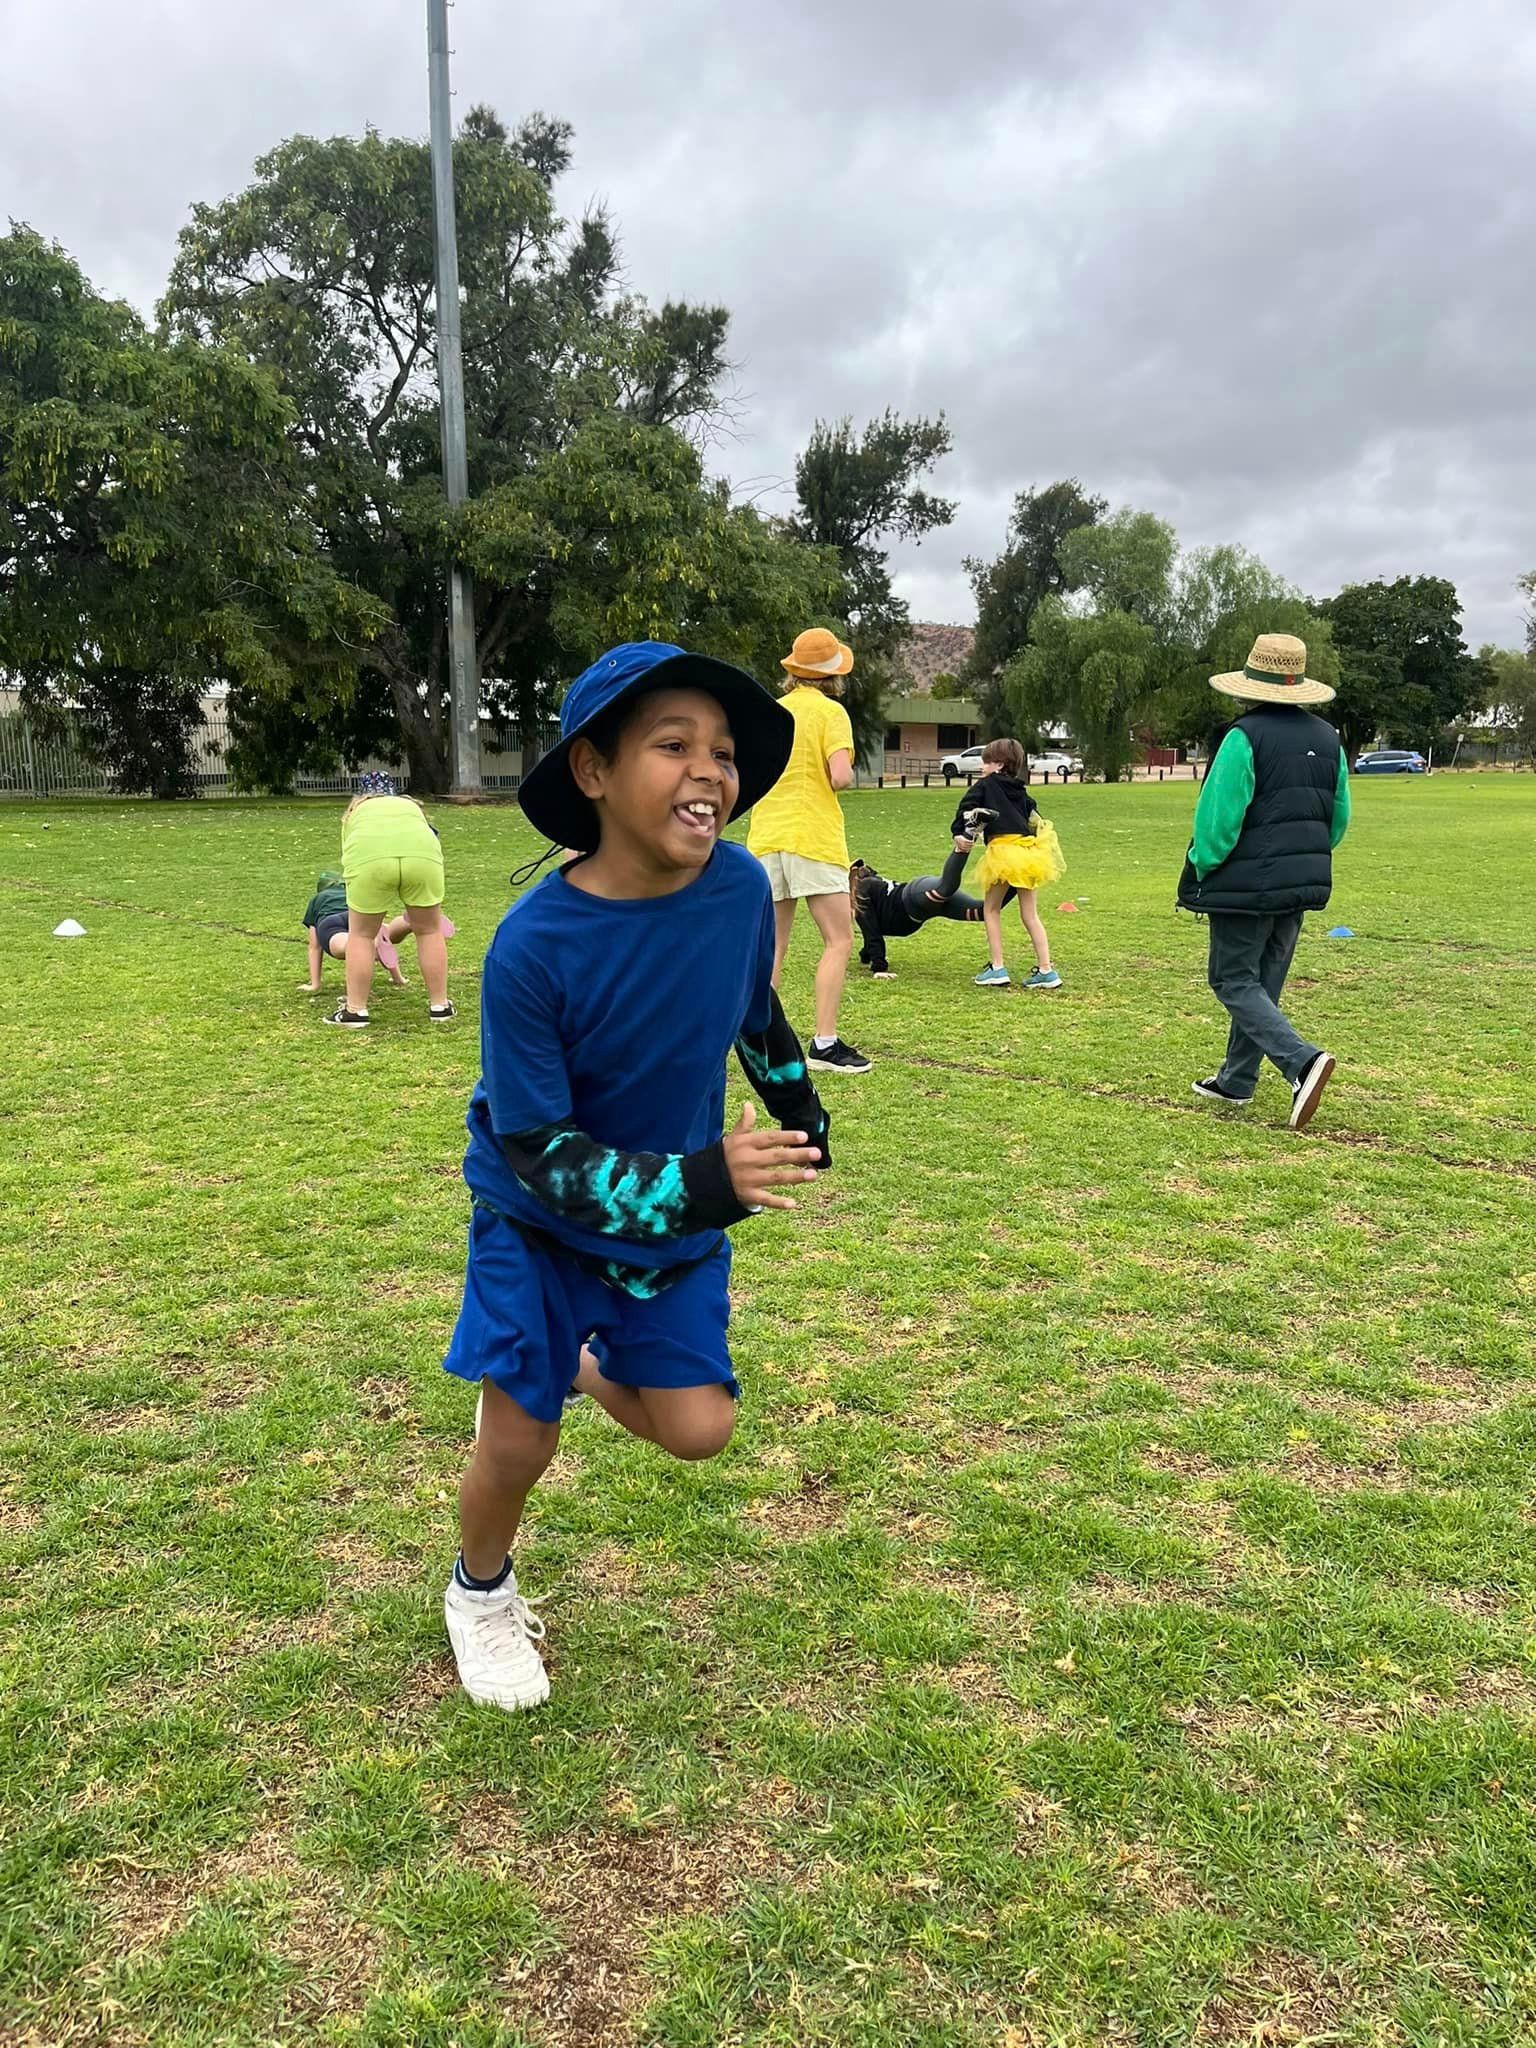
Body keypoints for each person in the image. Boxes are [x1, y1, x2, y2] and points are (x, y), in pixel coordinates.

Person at [442, 641, 832, 1713]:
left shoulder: (742, 888)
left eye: (722, 751)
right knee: (518, 1437)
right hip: (538, 1216)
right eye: (673, 744)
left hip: (670, 1221)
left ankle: (575, 1362)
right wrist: (709, 1180)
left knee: (701, 1427)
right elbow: (544, 1154)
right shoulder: (530, 951)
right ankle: (479, 1591)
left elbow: (751, 1010)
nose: (709, 770)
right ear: (593, 771)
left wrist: (797, 1104)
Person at [1177, 632, 1349, 1130]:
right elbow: (1337, 819)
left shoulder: (1244, 736)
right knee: (1262, 982)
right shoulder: (1329, 738)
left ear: (1251, 683)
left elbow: (1218, 821)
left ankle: (1301, 1062)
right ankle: (1237, 1079)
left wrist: (1202, 865)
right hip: (1300, 881)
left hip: (1245, 883)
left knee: (1232, 978)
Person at [745, 628, 871, 1074]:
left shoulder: (772, 711)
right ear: (832, 674)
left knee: (772, 945)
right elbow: (838, 776)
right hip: (813, 838)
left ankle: (758, 1043)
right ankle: (825, 1043)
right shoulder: (831, 713)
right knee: (839, 939)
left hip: (766, 837)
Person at [324, 774, 454, 1028]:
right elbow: (432, 836)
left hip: (370, 861)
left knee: (361, 935)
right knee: (428, 930)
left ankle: (355, 1010)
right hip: (423, 857)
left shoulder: (356, 813)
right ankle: (440, 1006)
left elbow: (349, 850)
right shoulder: (411, 807)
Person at [950, 739, 1064, 990]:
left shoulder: (985, 786)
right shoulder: (1021, 790)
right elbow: (1034, 819)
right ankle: (1047, 969)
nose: (982, 767)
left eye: (986, 762)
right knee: (1030, 914)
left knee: (991, 909)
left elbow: (965, 811)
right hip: (1027, 854)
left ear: (999, 765)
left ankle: (997, 967)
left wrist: (959, 833)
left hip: (1002, 853)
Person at [850, 846, 1010, 976]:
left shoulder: (860, 894)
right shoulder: (867, 889)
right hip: (923, 908)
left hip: (914, 896)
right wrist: (866, 956)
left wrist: (879, 967)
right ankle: (1017, 878)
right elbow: (871, 930)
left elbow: (871, 931)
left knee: (945, 888)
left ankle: (965, 841)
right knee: (984, 911)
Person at [299, 867, 415, 994]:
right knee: (382, 936)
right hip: (355, 916)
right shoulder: (351, 893)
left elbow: (315, 947)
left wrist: (315, 984)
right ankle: (408, 922)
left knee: (349, 945)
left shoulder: (318, 898)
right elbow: (385, 945)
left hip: (331, 923)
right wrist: (398, 978)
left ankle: (373, 945)